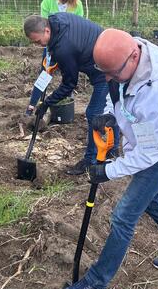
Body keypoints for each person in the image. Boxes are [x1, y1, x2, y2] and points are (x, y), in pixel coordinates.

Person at [57, 29, 158, 289]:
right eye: (104, 72)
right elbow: (116, 93)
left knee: (123, 217)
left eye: (112, 72)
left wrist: (107, 171)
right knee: (153, 201)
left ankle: (95, 284)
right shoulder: (123, 65)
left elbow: (149, 154)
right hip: (148, 148)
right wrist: (109, 114)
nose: (108, 78)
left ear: (134, 56)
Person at [23, 13, 119, 175]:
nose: (38, 45)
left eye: (38, 41)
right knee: (109, 108)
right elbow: (44, 73)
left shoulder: (63, 48)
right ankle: (113, 149)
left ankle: (90, 160)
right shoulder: (56, 22)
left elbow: (69, 85)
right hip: (103, 56)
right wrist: (33, 103)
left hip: (107, 68)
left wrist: (47, 103)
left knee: (93, 114)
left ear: (46, 31)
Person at [26, 0, 85, 121]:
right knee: (44, 74)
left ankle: (65, 105)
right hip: (51, 45)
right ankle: (32, 106)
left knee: (68, 76)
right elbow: (43, 26)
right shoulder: (48, 0)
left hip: (69, 48)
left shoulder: (77, 5)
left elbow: (79, 27)